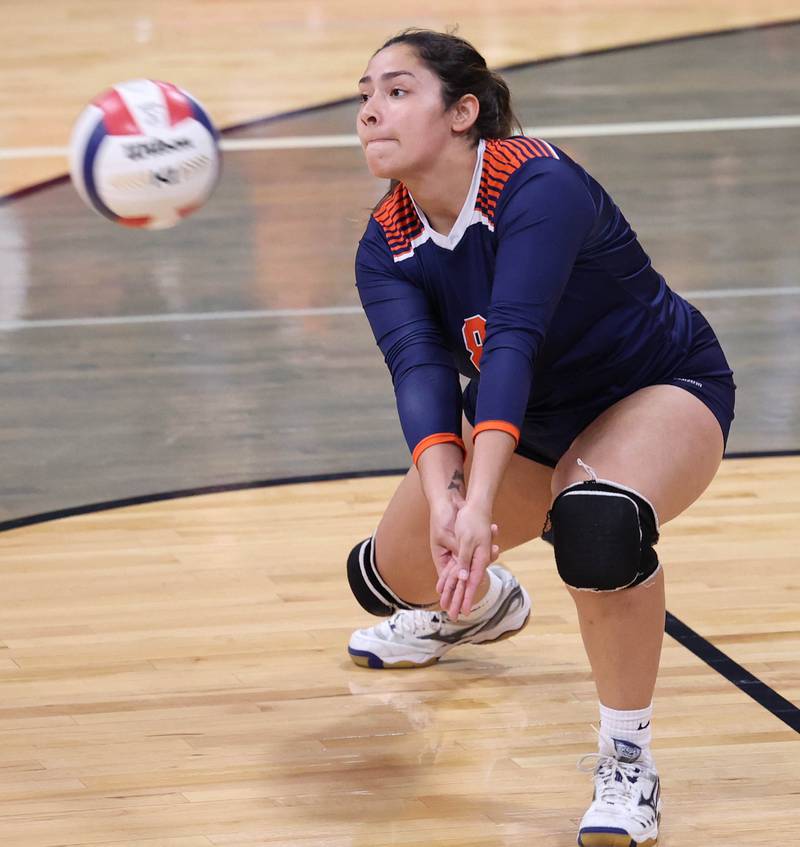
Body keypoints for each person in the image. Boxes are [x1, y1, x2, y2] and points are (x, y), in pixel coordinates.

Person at [346, 27, 735, 847]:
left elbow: (514, 336)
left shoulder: (536, 184)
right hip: (536, 422)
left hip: (656, 389)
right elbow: (419, 375)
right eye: (363, 95)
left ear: (462, 112)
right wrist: (451, 505)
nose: (370, 111)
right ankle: (480, 609)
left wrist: (480, 500)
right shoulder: (386, 244)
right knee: (392, 571)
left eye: (395, 90)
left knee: (597, 527)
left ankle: (627, 760)